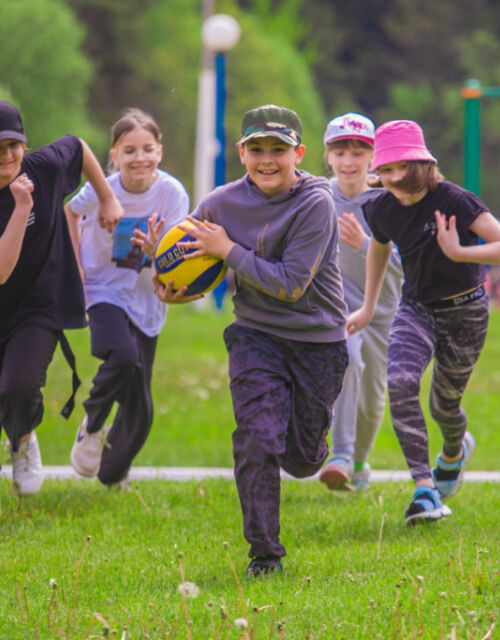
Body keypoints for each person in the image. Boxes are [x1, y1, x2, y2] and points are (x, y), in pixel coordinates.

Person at [154, 105, 348, 577]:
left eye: (278, 150)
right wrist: (169, 286)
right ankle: (265, 554)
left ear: (298, 154)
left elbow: (291, 284)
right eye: (257, 149)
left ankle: (311, 447)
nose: (267, 159)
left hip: (317, 341)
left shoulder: (316, 204)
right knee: (257, 438)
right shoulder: (220, 203)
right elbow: (188, 259)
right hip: (255, 336)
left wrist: (229, 251)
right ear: (241, 153)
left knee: (302, 461)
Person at [0, 99, 123, 522]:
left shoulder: (43, 167)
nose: (6, 155)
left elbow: (78, 147)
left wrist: (108, 197)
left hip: (40, 303)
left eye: (14, 145)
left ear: (25, 143)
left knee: (18, 388)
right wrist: (22, 208)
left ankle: (22, 437)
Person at [346, 120, 500, 526]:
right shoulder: (381, 207)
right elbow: (378, 252)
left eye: (399, 168)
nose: (390, 178)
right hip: (416, 309)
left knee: (445, 406)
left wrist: (459, 253)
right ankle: (424, 489)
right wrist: (369, 308)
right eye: (384, 170)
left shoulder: (455, 199)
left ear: (421, 164)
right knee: (401, 382)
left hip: (467, 312)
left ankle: (455, 452)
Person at [65, 108, 189, 486]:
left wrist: (156, 252)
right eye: (129, 150)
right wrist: (75, 268)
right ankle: (93, 422)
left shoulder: (172, 194)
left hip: (147, 299)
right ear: (114, 155)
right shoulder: (103, 187)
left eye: (147, 149)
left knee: (141, 408)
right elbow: (68, 212)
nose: (140, 158)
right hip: (102, 289)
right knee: (122, 355)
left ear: (160, 151)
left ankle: (112, 473)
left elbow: (177, 259)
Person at [317, 113, 402, 492]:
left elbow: (406, 264)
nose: (348, 161)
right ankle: (341, 455)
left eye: (357, 152)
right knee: (348, 358)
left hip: (384, 314)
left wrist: (366, 245)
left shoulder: (388, 200)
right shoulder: (318, 197)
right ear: (327, 156)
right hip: (337, 310)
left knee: (371, 398)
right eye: (339, 151)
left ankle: (361, 460)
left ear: (373, 157)